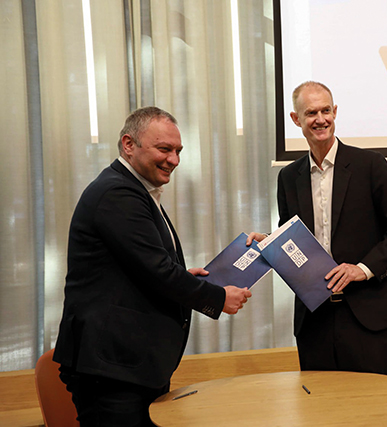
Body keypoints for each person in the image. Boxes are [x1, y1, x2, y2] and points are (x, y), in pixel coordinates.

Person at [53, 106, 252, 426]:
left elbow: (139, 268)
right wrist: (217, 298)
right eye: (164, 149)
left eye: (178, 151)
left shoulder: (135, 191)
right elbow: (157, 271)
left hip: (132, 367)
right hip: (113, 370)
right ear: (128, 144)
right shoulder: (118, 192)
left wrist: (183, 276)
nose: (174, 159)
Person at [248, 81, 387, 374]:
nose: (320, 119)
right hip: (314, 318)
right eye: (311, 113)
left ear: (335, 112)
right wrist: (269, 241)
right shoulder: (289, 177)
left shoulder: (370, 165)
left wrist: (361, 268)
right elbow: (293, 238)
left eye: (326, 110)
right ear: (296, 119)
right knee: (320, 410)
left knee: (369, 410)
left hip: (367, 313)